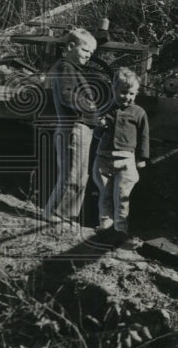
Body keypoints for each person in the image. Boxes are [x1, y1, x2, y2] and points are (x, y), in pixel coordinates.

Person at [43, 27, 103, 226]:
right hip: (73, 129)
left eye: (91, 54)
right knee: (72, 176)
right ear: (70, 46)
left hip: (82, 128)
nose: (88, 56)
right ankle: (54, 215)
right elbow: (68, 96)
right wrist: (91, 106)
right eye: (86, 51)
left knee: (80, 176)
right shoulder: (65, 68)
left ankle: (66, 216)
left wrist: (95, 118)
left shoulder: (73, 69)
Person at [93, 67, 149, 248]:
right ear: (114, 90)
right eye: (123, 92)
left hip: (126, 159)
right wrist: (100, 126)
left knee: (123, 196)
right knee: (105, 194)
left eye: (132, 93)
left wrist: (142, 157)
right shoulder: (106, 108)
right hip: (104, 158)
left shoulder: (139, 112)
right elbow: (97, 135)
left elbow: (144, 136)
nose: (128, 97)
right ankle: (105, 227)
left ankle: (120, 229)